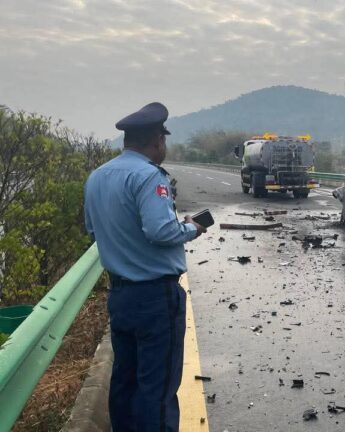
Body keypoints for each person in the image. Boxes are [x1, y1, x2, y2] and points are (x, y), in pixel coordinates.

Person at [84, 102, 206, 432]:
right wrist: (191, 228)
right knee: (157, 390)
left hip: (120, 296)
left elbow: (93, 231)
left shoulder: (97, 177)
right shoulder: (149, 176)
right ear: (156, 140)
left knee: (125, 382)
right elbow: (161, 231)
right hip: (155, 299)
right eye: (163, 140)